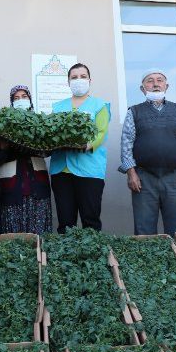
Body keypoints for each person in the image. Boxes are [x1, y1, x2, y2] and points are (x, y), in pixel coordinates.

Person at [119, 70, 176, 235]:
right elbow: (126, 144)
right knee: (144, 229)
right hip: (143, 178)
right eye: (150, 81)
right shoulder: (134, 111)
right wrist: (131, 173)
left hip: (174, 177)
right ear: (142, 88)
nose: (155, 84)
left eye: (159, 80)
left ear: (166, 86)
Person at [49, 63, 110, 233]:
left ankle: (91, 257)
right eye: (74, 77)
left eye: (83, 77)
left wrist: (86, 145)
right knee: (65, 221)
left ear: (90, 80)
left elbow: (101, 133)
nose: (78, 80)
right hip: (61, 171)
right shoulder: (57, 107)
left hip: (89, 170)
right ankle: (66, 257)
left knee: (90, 219)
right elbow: (51, 132)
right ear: (68, 82)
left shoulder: (100, 105)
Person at [0, 86, 52, 235]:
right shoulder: (1, 124)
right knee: (14, 236)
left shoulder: (41, 123)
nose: (21, 100)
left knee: (38, 235)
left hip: (37, 187)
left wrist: (32, 141)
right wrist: (5, 146)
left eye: (24, 96)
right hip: (12, 187)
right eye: (16, 98)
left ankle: (40, 258)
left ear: (30, 100)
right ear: (12, 103)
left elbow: (47, 151)